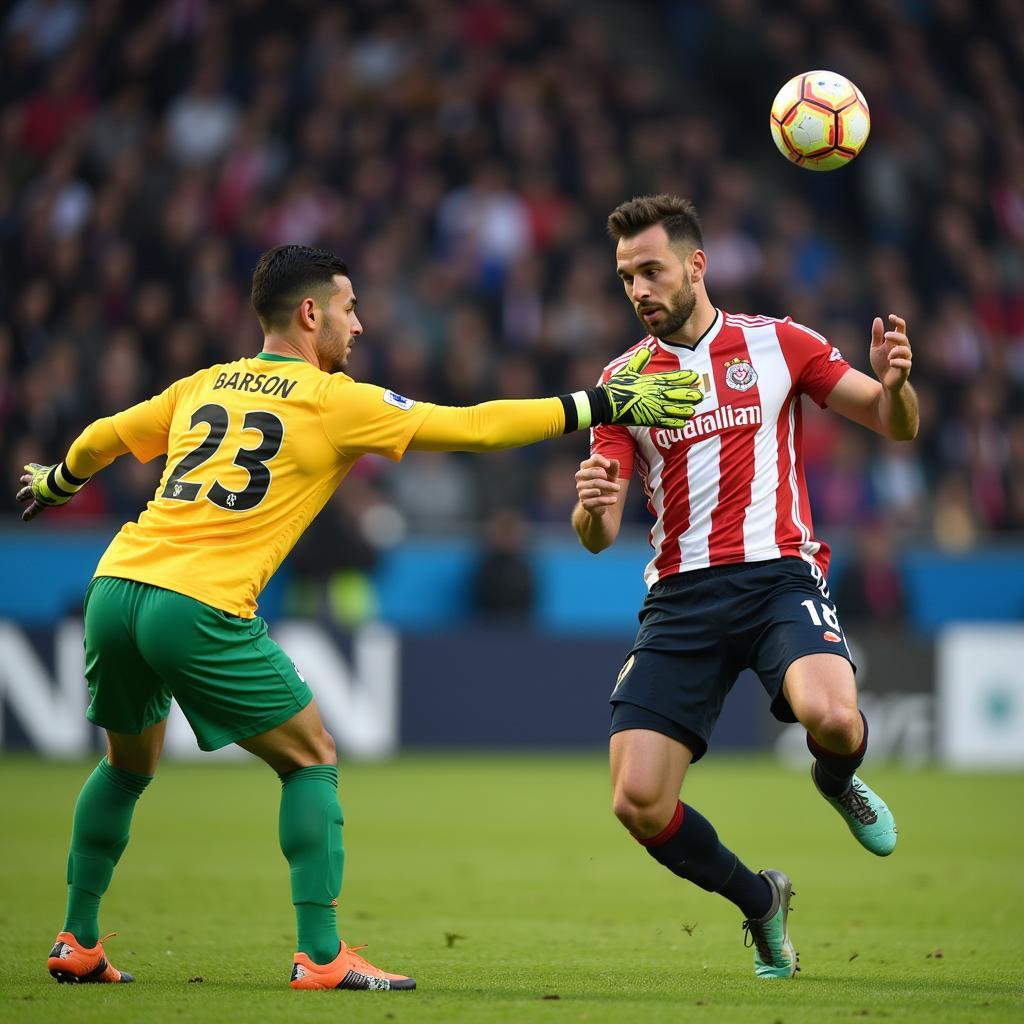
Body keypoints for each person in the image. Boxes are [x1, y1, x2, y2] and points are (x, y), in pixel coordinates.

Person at [18, 244, 704, 992]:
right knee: (310, 756)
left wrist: (58, 481)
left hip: (116, 586)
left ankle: (76, 940)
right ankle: (320, 955)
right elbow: (475, 427)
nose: (361, 325)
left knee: (124, 766)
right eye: (350, 309)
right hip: (198, 603)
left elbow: (102, 437)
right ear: (310, 314)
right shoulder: (330, 400)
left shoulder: (201, 384)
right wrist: (602, 404)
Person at [571, 195, 918, 980]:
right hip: (681, 597)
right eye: (627, 277)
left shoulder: (780, 344)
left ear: (697, 265)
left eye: (651, 270)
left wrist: (896, 385)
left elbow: (895, 425)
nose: (638, 289)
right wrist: (591, 508)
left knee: (831, 716)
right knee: (637, 802)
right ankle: (761, 902)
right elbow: (596, 535)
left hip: (777, 578)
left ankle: (838, 780)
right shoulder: (623, 381)